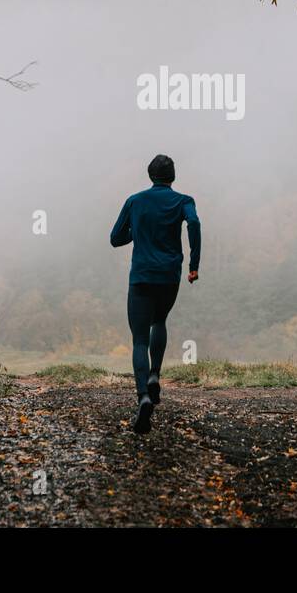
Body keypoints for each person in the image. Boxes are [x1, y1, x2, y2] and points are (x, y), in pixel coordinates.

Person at [109, 154, 200, 434]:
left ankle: (143, 397)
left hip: (141, 277)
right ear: (173, 176)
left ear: (150, 175)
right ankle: (154, 375)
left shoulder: (135, 201)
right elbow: (194, 224)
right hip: (169, 275)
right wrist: (194, 265)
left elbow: (115, 238)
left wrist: (138, 231)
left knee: (139, 339)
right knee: (159, 321)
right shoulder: (184, 201)